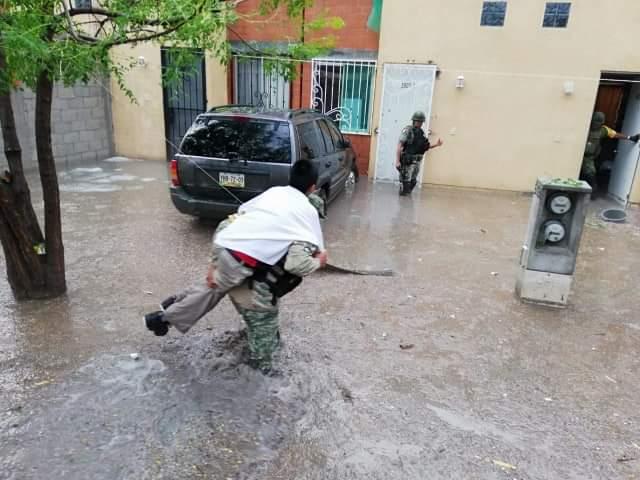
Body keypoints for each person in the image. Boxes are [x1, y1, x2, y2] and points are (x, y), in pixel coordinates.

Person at [144, 160, 327, 373]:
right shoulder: (305, 216)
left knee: (212, 287)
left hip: (225, 246)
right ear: (313, 188)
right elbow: (297, 263)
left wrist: (213, 263)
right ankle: (165, 318)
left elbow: (227, 223)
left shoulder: (274, 194)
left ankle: (170, 307)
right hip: (242, 264)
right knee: (215, 297)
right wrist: (319, 261)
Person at [580, 111, 640, 191]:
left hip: (589, 157)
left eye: (599, 122)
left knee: (591, 172)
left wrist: (630, 137)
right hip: (578, 153)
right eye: (596, 121)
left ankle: (592, 188)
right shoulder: (585, 126)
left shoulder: (603, 130)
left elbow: (615, 134)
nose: (597, 124)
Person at [395, 111, 443, 196]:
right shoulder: (407, 130)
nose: (420, 123)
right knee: (405, 184)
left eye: (421, 122)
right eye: (418, 121)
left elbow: (425, 147)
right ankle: (402, 203)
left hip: (417, 162)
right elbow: (400, 145)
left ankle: (407, 204)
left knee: (413, 182)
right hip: (407, 162)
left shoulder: (421, 133)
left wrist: (436, 144)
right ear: (414, 121)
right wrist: (397, 161)